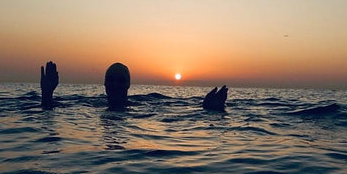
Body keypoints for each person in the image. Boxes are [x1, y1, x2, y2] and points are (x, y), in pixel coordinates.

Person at [40, 61, 227, 111]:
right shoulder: (88, 105)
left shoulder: (145, 106)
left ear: (128, 85)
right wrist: (47, 95)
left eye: (120, 80)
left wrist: (206, 109)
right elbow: (49, 110)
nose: (115, 84)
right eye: (111, 79)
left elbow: (179, 110)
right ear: (104, 83)